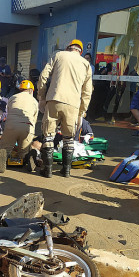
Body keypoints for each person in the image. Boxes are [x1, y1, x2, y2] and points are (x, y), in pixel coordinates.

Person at [37, 39, 92, 178]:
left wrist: (42, 98)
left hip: (54, 99)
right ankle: (66, 170)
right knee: (68, 138)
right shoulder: (86, 64)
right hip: (73, 104)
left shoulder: (58, 55)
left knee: (48, 136)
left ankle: (47, 170)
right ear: (80, 51)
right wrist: (82, 111)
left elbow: (43, 77)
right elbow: (87, 91)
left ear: (69, 48)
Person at [0, 80, 38, 173]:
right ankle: (27, 157)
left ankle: (2, 155)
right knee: (24, 150)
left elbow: (8, 112)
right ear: (31, 90)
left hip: (12, 124)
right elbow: (34, 120)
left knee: (4, 147)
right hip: (27, 126)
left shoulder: (13, 97)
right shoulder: (34, 101)